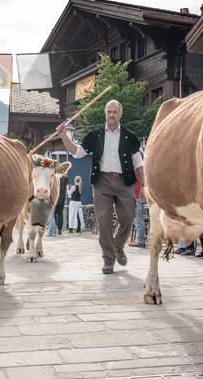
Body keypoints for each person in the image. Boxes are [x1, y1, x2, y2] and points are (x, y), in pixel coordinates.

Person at [57, 99, 144, 274]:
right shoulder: (95, 135)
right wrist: (63, 136)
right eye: (109, 112)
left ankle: (118, 246)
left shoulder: (130, 136)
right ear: (106, 114)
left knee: (127, 219)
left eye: (115, 112)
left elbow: (138, 163)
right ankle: (109, 259)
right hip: (102, 182)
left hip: (124, 181)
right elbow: (77, 152)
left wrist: (144, 185)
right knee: (103, 222)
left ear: (120, 114)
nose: (111, 115)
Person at [129, 170, 147, 248]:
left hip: (137, 196)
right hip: (138, 196)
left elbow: (137, 185)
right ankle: (139, 240)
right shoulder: (140, 170)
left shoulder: (136, 171)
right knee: (138, 220)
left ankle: (140, 241)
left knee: (138, 220)